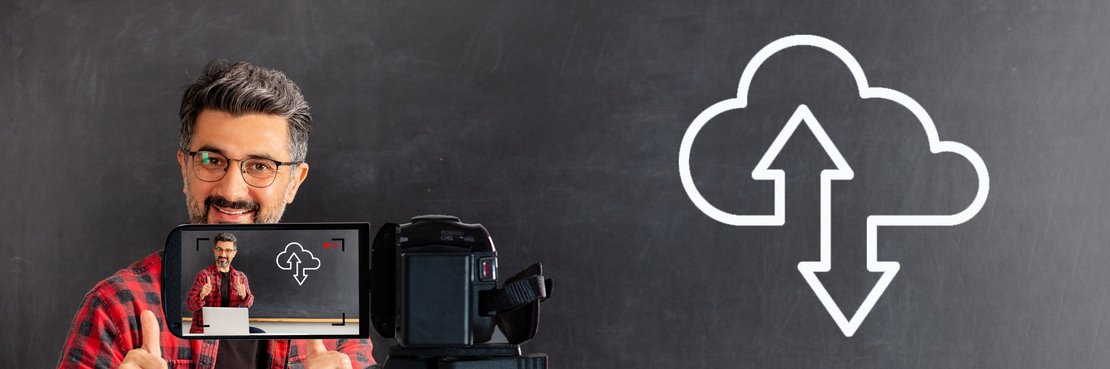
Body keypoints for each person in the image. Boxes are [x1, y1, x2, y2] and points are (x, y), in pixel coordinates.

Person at [57, 60, 375, 368]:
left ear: (294, 182)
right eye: (212, 160)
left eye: (260, 166)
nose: (231, 191)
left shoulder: (336, 319)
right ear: (186, 170)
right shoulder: (118, 307)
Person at [187, 232, 253, 334]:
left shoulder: (240, 277)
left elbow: (249, 303)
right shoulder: (204, 275)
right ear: (214, 250)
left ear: (234, 253)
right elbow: (190, 306)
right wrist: (202, 295)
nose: (223, 254)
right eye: (219, 249)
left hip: (231, 330)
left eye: (228, 250)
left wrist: (244, 295)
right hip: (204, 332)